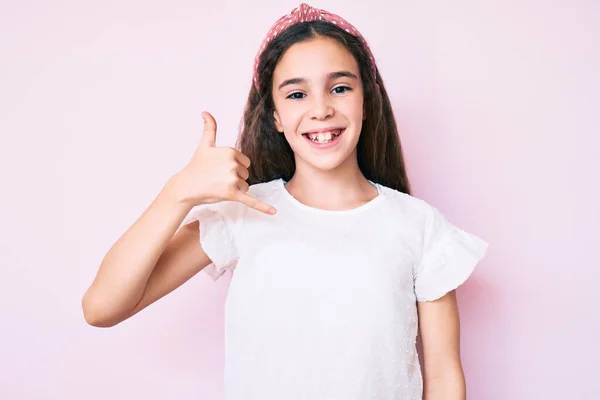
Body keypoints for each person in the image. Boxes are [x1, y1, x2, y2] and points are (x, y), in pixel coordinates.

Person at [82, 3, 489, 399]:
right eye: (296, 94)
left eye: (341, 88)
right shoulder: (242, 213)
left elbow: (445, 380)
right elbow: (102, 307)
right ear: (275, 115)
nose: (321, 109)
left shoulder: (420, 227)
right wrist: (178, 192)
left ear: (367, 100)